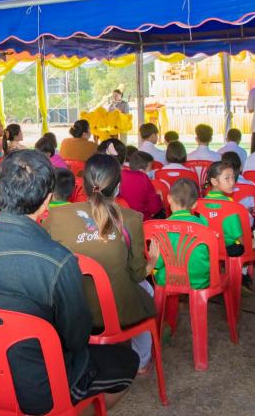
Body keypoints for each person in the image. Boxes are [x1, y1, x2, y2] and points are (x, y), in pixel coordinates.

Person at [0, 150, 138, 413]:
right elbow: (76, 338)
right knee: (126, 360)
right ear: (47, 202)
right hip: (43, 391)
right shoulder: (59, 260)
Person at [44, 154, 159, 372]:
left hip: (72, 311)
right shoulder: (131, 218)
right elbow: (137, 274)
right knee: (148, 291)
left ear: (83, 184)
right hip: (117, 312)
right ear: (118, 187)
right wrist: (152, 261)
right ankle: (142, 362)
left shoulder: (57, 216)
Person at [154, 179, 211, 291]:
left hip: (170, 278)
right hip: (200, 279)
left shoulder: (162, 227)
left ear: (169, 198)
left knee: (156, 271)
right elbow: (208, 251)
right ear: (195, 205)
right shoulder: (203, 224)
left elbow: (158, 260)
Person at [203, 161, 245, 257]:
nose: (232, 182)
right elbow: (236, 233)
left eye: (233, 177)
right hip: (229, 247)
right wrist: (247, 244)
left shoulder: (202, 201)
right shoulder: (229, 203)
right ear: (214, 181)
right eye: (227, 178)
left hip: (208, 247)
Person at [120, 150, 163, 220]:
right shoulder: (144, 179)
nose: (151, 171)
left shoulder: (121, 174)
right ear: (141, 171)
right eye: (150, 169)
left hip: (121, 217)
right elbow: (154, 209)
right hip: (140, 219)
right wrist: (159, 198)